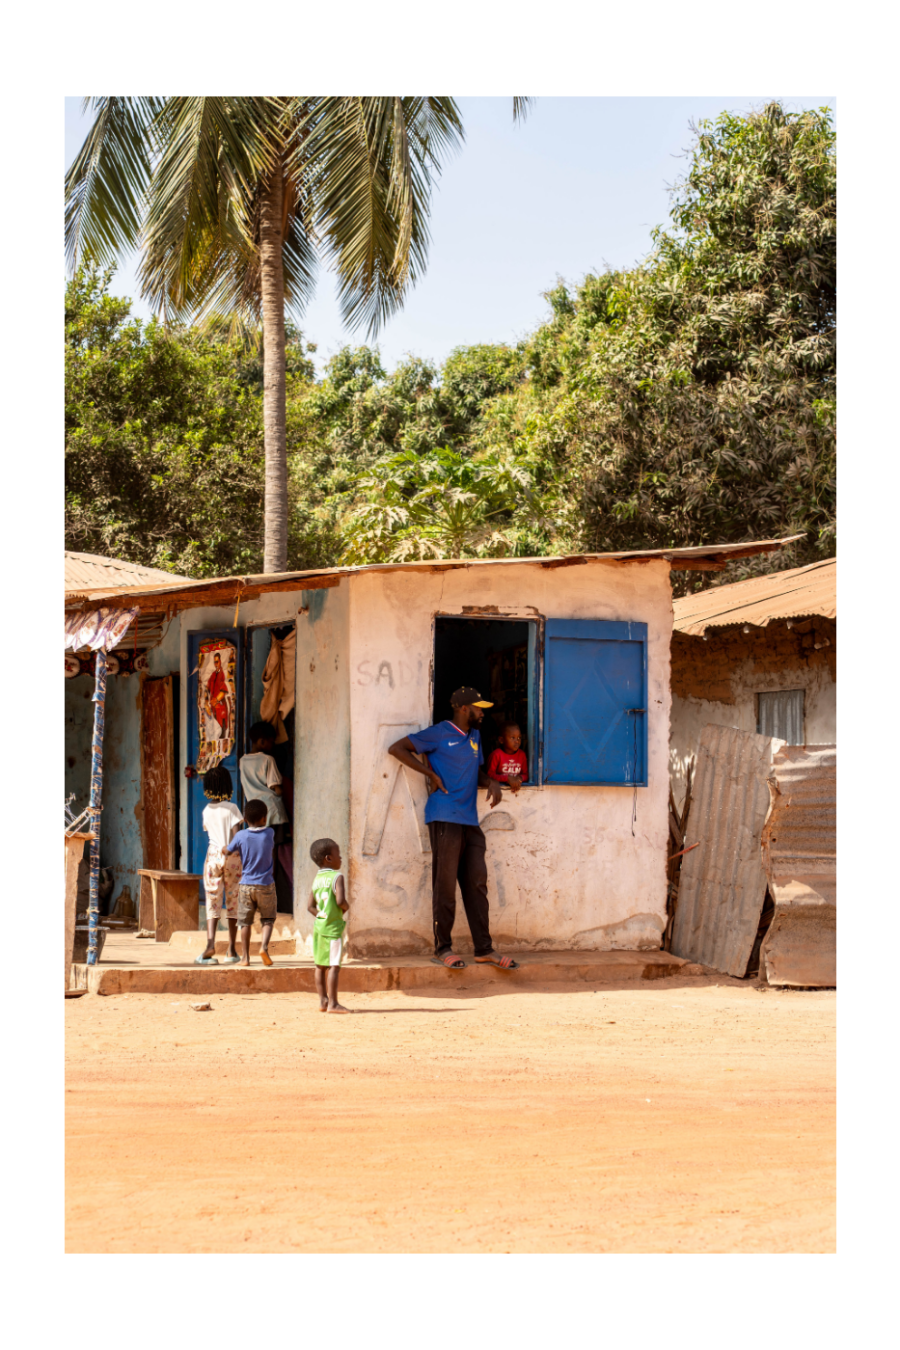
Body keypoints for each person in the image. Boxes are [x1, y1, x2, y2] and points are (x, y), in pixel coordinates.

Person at [388, 686, 520, 972]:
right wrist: (430, 774)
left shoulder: (475, 738)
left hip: (470, 821)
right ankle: (443, 948)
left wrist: (494, 780)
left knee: (477, 883)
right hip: (444, 815)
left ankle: (484, 949)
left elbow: (478, 772)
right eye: (478, 708)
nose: (482, 713)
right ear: (463, 709)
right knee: (445, 885)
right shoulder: (439, 733)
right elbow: (396, 748)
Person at [195, 765, 243, 966]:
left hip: (213, 855)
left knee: (213, 899)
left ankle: (210, 945)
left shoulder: (206, 810)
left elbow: (210, 831)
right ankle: (231, 949)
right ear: (228, 786)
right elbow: (237, 836)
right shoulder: (232, 808)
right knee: (233, 900)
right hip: (231, 855)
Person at [226, 798, 276, 967]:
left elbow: (229, 849)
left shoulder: (240, 835)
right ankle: (263, 947)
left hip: (246, 884)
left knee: (245, 922)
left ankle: (245, 958)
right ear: (264, 818)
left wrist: (224, 849)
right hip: (266, 884)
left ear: (245, 820)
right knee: (268, 919)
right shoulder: (270, 833)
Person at [307, 838, 351, 1014]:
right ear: (329, 859)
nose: (341, 858)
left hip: (319, 927)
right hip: (332, 928)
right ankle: (333, 1004)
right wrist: (346, 907)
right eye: (338, 855)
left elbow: (309, 906)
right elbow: (340, 901)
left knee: (320, 965)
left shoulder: (317, 879)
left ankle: (323, 1001)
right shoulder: (337, 876)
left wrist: (321, 915)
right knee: (334, 965)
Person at [239, 721, 289, 830]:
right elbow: (277, 789)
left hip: (256, 813)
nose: (272, 745)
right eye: (271, 741)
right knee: (275, 845)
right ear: (262, 741)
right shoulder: (268, 760)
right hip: (273, 812)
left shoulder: (242, 761)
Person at [486, 723, 528, 794]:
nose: (517, 741)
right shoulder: (496, 755)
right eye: (512, 738)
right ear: (501, 740)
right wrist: (507, 778)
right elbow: (490, 775)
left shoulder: (522, 755)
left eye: (519, 737)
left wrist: (519, 778)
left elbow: (526, 774)